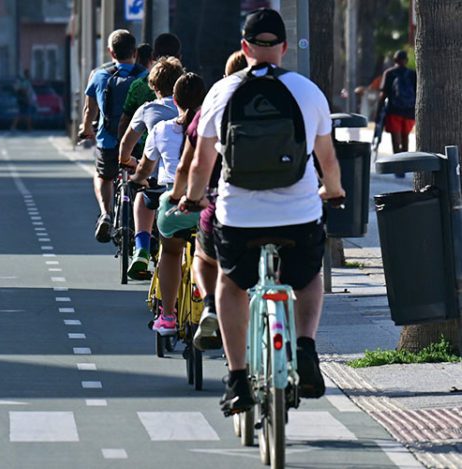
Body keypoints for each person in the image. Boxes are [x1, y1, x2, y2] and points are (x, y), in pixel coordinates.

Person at [181, 8, 345, 415]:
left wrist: (193, 197)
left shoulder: (221, 92)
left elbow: (201, 164)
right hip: (299, 213)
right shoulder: (308, 92)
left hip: (239, 216)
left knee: (232, 284)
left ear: (244, 47)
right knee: (307, 275)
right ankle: (305, 346)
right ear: (284, 48)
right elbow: (327, 157)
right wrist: (334, 190)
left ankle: (237, 379)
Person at [169, 49, 249, 351]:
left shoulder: (214, 105)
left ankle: (211, 307)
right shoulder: (287, 95)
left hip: (225, 206)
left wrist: (186, 198)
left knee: (204, 256)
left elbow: (192, 165)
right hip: (286, 210)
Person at [128, 72, 206, 335]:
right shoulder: (212, 129)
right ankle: (212, 310)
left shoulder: (161, 130)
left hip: (174, 205)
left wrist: (137, 181)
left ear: (175, 100)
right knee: (210, 255)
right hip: (206, 204)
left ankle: (168, 316)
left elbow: (144, 169)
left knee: (171, 252)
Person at [118, 56, 185, 279]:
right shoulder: (191, 111)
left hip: (158, 182)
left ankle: (142, 247)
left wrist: (128, 161)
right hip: (191, 185)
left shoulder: (147, 110)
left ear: (153, 86)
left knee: (142, 197)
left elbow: (126, 144)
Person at [80, 30, 144, 243]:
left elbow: (90, 110)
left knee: (103, 175)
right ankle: (143, 224)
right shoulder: (145, 76)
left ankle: (106, 213)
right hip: (137, 143)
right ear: (134, 52)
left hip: (108, 140)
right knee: (143, 179)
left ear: (110, 52)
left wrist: (86, 128)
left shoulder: (98, 75)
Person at [378, 50, 417, 177]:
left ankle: (398, 168)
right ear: (406, 60)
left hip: (394, 111)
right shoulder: (412, 74)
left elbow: (383, 94)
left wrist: (379, 112)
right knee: (406, 139)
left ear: (395, 60)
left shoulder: (389, 73)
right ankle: (404, 165)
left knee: (396, 140)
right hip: (409, 112)